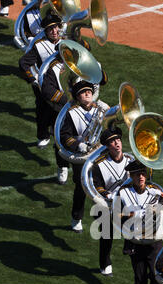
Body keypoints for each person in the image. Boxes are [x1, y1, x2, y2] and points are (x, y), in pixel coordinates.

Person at [40, 38, 94, 184]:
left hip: (85, 107)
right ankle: (62, 166)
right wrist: (68, 100)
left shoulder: (86, 67)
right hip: (62, 110)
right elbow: (47, 90)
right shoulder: (55, 69)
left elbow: (101, 80)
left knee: (87, 136)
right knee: (60, 140)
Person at [59, 79, 109, 233]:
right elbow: (65, 136)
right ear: (77, 97)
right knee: (82, 187)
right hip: (81, 155)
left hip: (99, 153)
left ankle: (103, 219)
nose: (87, 93)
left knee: (102, 187)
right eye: (83, 92)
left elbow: (110, 130)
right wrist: (78, 145)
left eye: (89, 91)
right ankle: (76, 217)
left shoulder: (100, 109)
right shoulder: (71, 113)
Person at [91, 127, 135, 276]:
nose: (117, 143)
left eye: (118, 140)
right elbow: (96, 186)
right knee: (107, 234)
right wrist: (108, 195)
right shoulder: (99, 165)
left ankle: (129, 244)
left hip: (124, 205)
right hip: (104, 205)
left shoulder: (131, 161)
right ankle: (105, 263)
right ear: (107, 146)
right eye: (112, 142)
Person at [18, 12, 62, 148]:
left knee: (60, 109)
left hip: (61, 82)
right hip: (43, 83)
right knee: (42, 110)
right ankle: (43, 135)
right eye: (50, 29)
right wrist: (33, 79)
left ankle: (58, 133)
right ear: (46, 31)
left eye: (55, 27)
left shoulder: (66, 42)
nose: (54, 31)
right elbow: (23, 62)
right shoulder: (39, 45)